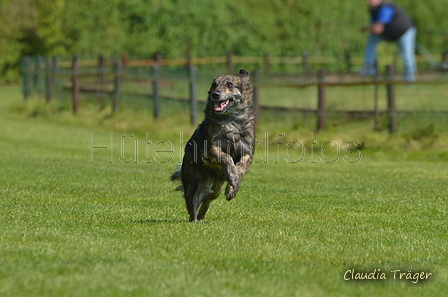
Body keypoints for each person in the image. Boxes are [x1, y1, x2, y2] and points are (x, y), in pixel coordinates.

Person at [358, 0, 417, 82]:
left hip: (404, 32)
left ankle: (410, 81)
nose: (368, 2)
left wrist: (366, 28)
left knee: (407, 57)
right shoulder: (373, 9)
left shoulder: (385, 7)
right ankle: (370, 68)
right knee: (372, 40)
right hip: (389, 34)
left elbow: (378, 29)